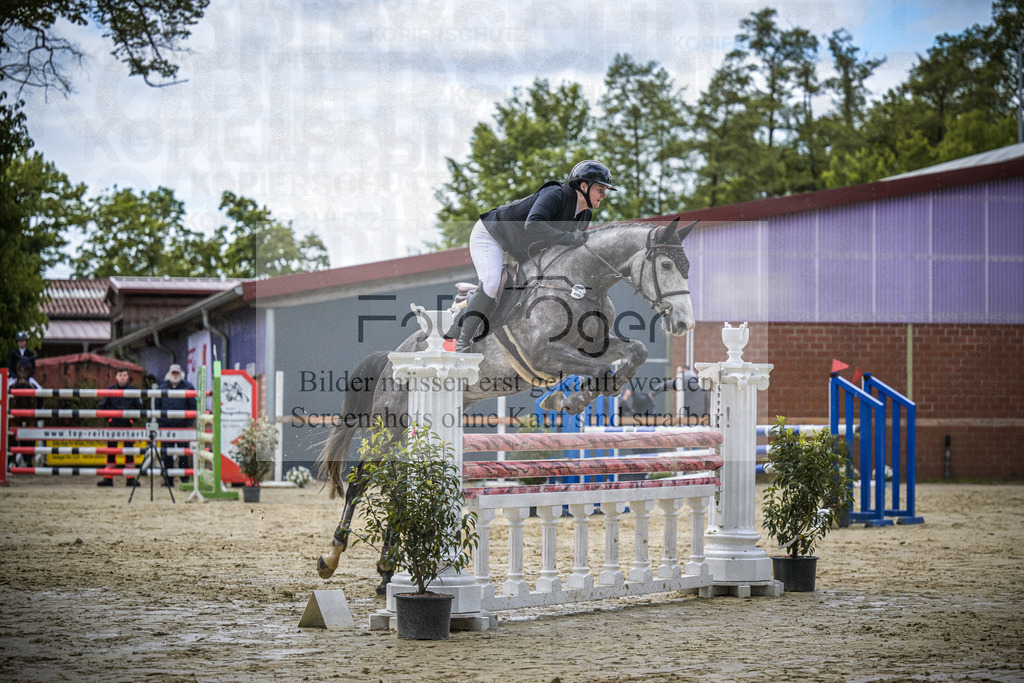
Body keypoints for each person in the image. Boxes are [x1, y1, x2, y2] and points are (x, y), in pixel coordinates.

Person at [457, 160, 617, 352]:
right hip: (492, 235)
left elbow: (567, 251)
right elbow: (532, 224)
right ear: (584, 186)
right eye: (600, 189)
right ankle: (462, 341)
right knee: (491, 283)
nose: (604, 195)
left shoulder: (584, 215)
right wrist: (569, 237)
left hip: (519, 249)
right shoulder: (556, 194)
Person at [97, 368, 142, 487]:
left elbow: (139, 408)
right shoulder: (110, 390)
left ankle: (131, 478)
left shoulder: (133, 391)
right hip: (113, 425)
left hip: (127, 425)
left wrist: (132, 419)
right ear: (116, 377)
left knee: (129, 452)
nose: (122, 377)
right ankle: (108, 478)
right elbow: (101, 407)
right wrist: (110, 419)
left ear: (128, 377)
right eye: (120, 375)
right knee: (111, 451)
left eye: (125, 375)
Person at [155, 364, 196, 486]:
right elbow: (157, 405)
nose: (175, 375)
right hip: (166, 426)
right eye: (173, 373)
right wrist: (160, 422)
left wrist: (189, 422)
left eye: (177, 373)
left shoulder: (188, 387)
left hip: (182, 426)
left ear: (181, 374)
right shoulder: (162, 387)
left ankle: (185, 480)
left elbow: (193, 405)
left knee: (183, 453)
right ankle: (168, 480)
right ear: (169, 374)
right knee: (167, 453)